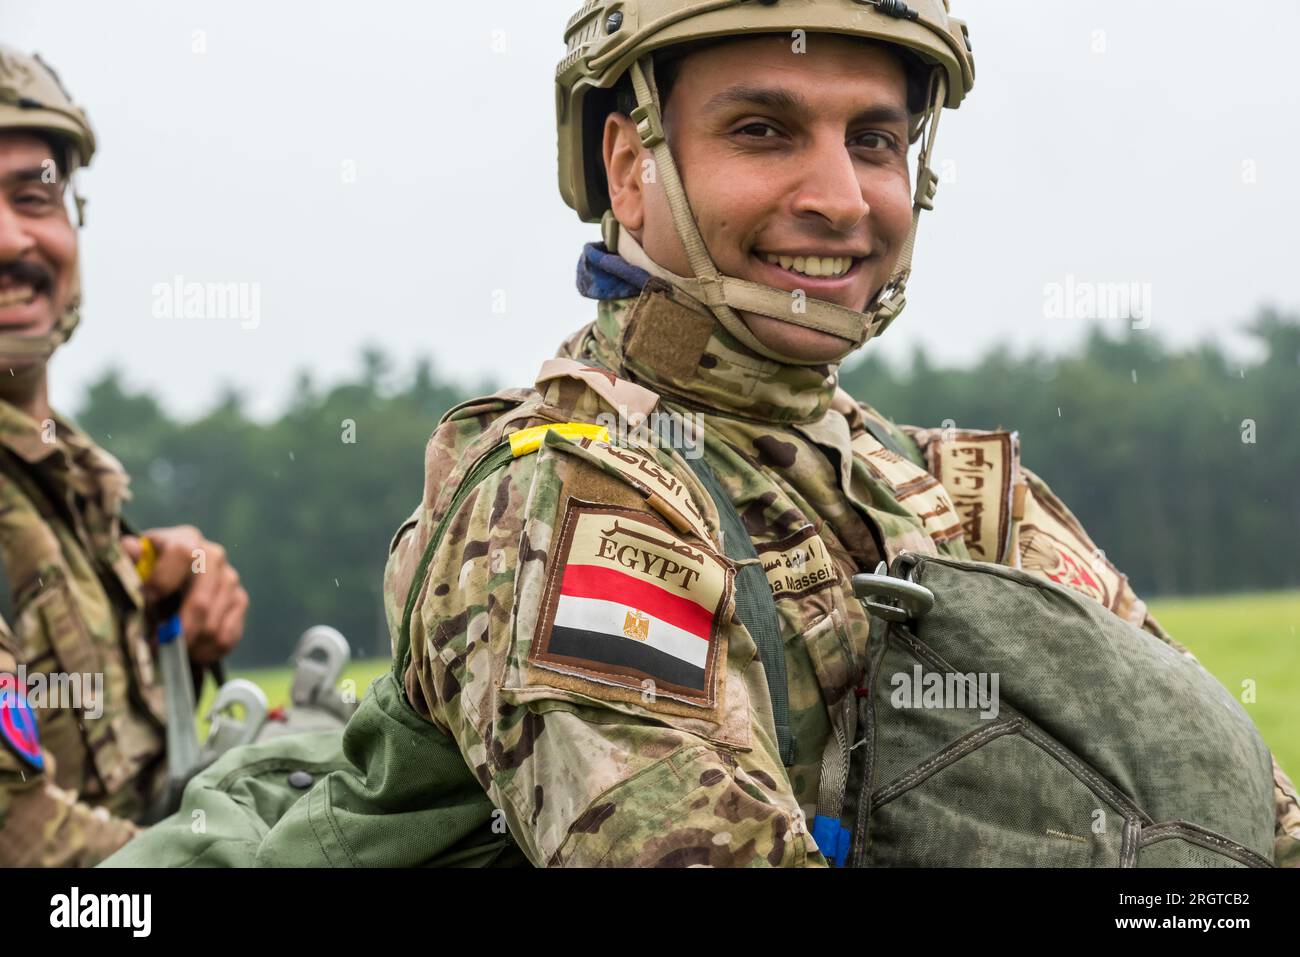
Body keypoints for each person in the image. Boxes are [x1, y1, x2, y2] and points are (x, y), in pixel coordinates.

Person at [377, 0, 1299, 867]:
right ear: (629, 167)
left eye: (873, 141)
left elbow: (1244, 810)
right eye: (763, 131)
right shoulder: (565, 496)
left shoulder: (955, 492)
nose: (843, 198)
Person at [0, 46, 248, 866]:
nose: (9, 238)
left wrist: (169, 626)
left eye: (33, 197)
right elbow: (23, 836)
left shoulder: (68, 488)